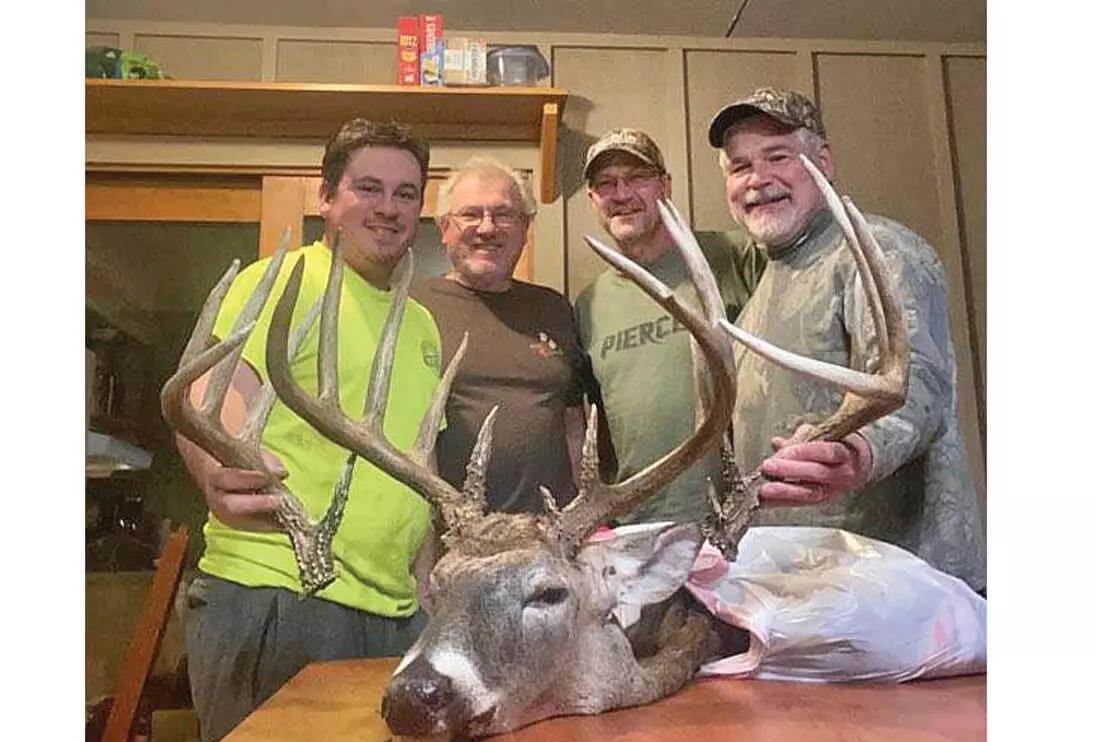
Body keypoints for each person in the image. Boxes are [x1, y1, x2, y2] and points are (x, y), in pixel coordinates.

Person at [174, 119, 444, 742]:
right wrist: (214, 471)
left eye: (406, 194)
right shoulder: (280, 282)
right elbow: (202, 401)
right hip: (279, 593)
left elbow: (416, 474)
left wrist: (428, 597)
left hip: (396, 615)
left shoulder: (423, 325)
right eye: (368, 188)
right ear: (327, 197)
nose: (388, 207)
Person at [708, 87, 986, 590]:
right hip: (804, 589)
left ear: (825, 162)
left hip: (900, 590)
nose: (758, 179)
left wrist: (859, 449)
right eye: (740, 166)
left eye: (778, 157)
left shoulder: (879, 252)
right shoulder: (757, 302)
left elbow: (916, 384)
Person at [573, 128, 764, 525]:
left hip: (739, 517)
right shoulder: (590, 304)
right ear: (593, 199)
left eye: (637, 178)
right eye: (606, 184)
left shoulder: (735, 258)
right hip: (640, 526)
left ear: (665, 185)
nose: (621, 194)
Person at [412, 157, 588, 514]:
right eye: (470, 214)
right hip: (457, 537)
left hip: (552, 536)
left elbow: (573, 424)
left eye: (504, 214)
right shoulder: (414, 309)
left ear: (526, 227)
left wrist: (586, 512)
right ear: (444, 227)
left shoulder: (554, 308)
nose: (487, 228)